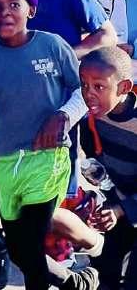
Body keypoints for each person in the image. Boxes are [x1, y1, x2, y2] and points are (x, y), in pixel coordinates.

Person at [0, 0, 99, 290]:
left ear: (31, 9)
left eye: (14, 4)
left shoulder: (53, 46)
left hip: (48, 159)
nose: (4, 12)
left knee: (31, 240)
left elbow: (83, 93)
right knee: (18, 249)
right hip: (6, 162)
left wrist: (63, 116)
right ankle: (75, 283)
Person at [80, 47, 137, 290]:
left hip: (128, 206)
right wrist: (108, 203)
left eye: (99, 87)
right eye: (84, 85)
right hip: (121, 204)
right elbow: (95, 160)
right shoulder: (93, 118)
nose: (88, 94)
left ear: (124, 87)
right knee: (106, 271)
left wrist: (121, 209)